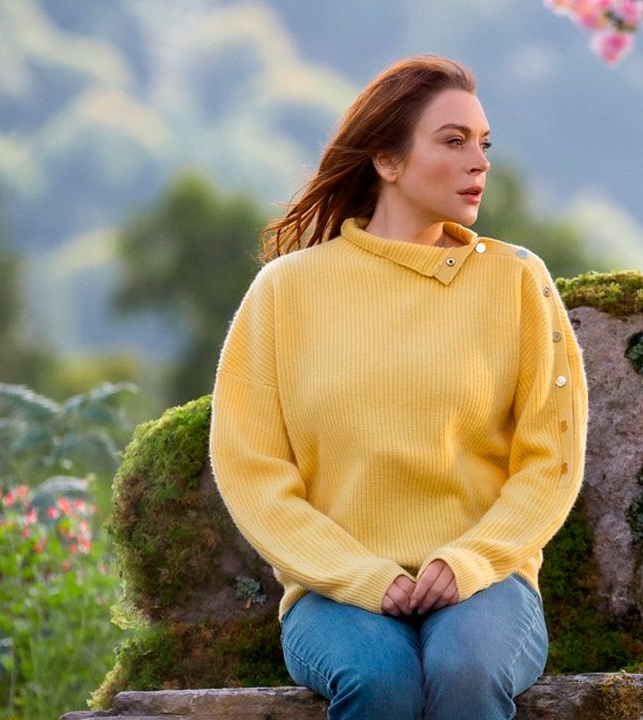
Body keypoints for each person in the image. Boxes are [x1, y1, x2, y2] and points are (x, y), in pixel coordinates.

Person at [207, 53, 589, 720]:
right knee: (380, 679)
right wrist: (360, 575)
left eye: (485, 143)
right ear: (387, 160)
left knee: (464, 670)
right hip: (333, 593)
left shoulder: (517, 280)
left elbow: (549, 458)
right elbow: (252, 470)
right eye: (454, 141)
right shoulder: (285, 291)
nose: (480, 162)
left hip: (488, 585)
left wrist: (471, 559)